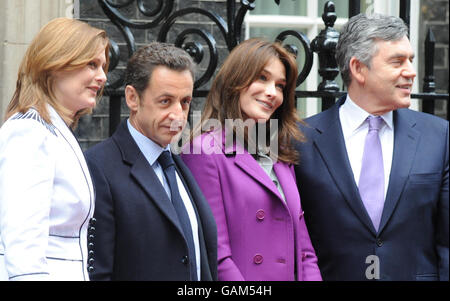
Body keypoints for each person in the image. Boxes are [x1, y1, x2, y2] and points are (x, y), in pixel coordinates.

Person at [295, 13, 449, 281]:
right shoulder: (301, 139)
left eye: (411, 60)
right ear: (358, 68)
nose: (411, 71)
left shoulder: (439, 136)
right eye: (397, 61)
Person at [181, 38, 322, 281]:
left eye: (280, 86)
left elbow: (305, 253)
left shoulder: (279, 152)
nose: (272, 93)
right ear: (235, 80)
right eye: (262, 78)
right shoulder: (203, 150)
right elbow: (217, 255)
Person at [85, 42, 217, 281]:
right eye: (165, 101)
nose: (178, 114)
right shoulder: (98, 168)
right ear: (132, 98)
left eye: (185, 102)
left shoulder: (178, 164)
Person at [0, 18, 109, 281]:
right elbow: (23, 249)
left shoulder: (52, 131)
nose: (103, 76)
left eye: (103, 66)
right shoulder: (29, 132)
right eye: (91, 64)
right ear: (55, 64)